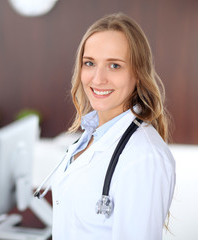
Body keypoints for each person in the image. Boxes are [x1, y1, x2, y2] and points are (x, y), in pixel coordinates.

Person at [51, 13, 175, 239]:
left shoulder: (145, 158)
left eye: (114, 66)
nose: (98, 79)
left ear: (138, 73)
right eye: (89, 63)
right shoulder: (91, 134)